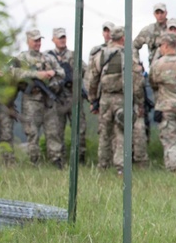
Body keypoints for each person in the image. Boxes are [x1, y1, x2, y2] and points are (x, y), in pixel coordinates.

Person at [87, 24, 144, 173]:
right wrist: (139, 102)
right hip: (122, 99)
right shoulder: (128, 55)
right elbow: (137, 81)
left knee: (104, 133)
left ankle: (103, 166)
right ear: (123, 38)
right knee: (122, 133)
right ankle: (120, 168)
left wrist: (93, 99)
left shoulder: (101, 55)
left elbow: (92, 79)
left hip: (105, 99)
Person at [10, 29, 65, 167]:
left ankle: (56, 161)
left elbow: (62, 72)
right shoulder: (22, 58)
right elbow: (13, 72)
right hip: (31, 100)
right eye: (35, 40)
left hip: (48, 100)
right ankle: (33, 162)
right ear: (28, 41)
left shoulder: (48, 58)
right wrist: (36, 74)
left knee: (53, 132)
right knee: (32, 132)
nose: (38, 43)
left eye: (39, 40)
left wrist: (52, 72)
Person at [149, 33, 176, 171]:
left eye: (161, 45)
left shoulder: (157, 65)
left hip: (166, 106)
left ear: (166, 45)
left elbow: (153, 84)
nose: (160, 48)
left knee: (170, 141)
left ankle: (174, 169)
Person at [47, 27, 87, 164]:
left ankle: (79, 158)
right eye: (59, 38)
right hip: (57, 98)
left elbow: (86, 71)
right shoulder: (48, 56)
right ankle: (57, 160)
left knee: (79, 129)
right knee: (56, 130)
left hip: (74, 97)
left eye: (63, 37)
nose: (62, 40)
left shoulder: (74, 55)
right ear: (53, 40)